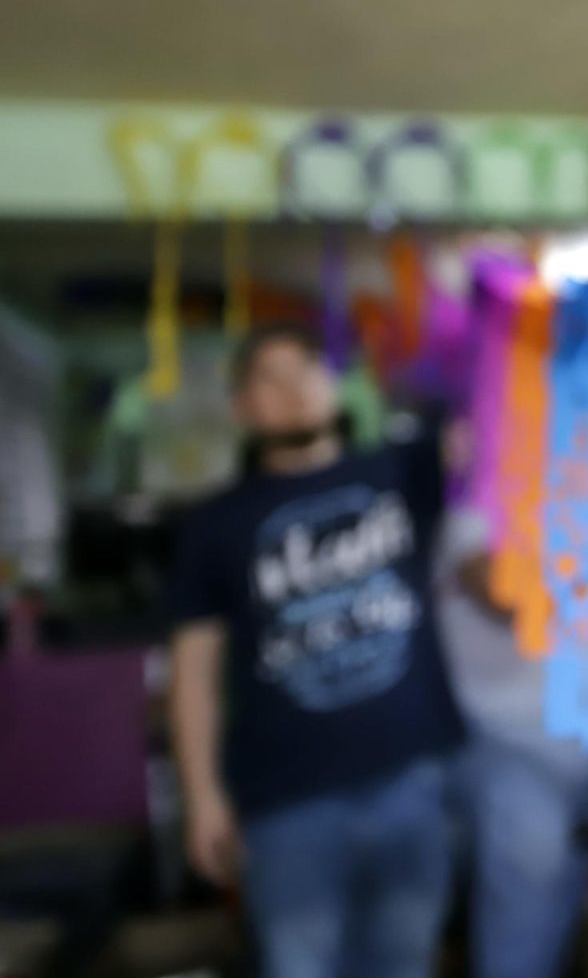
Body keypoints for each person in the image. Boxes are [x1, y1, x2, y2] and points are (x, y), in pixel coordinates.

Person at [167, 323, 464, 978]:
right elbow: (192, 671)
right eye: (269, 377)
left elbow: (496, 426)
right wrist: (202, 797)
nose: (295, 387)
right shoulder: (216, 525)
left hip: (411, 782)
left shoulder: (399, 470)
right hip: (287, 804)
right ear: (242, 407)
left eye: (307, 367)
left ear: (333, 383)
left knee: (406, 962)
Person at [436, 508, 588, 978]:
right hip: (511, 737)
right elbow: (501, 590)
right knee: (519, 936)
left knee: (557, 916)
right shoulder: (489, 470)